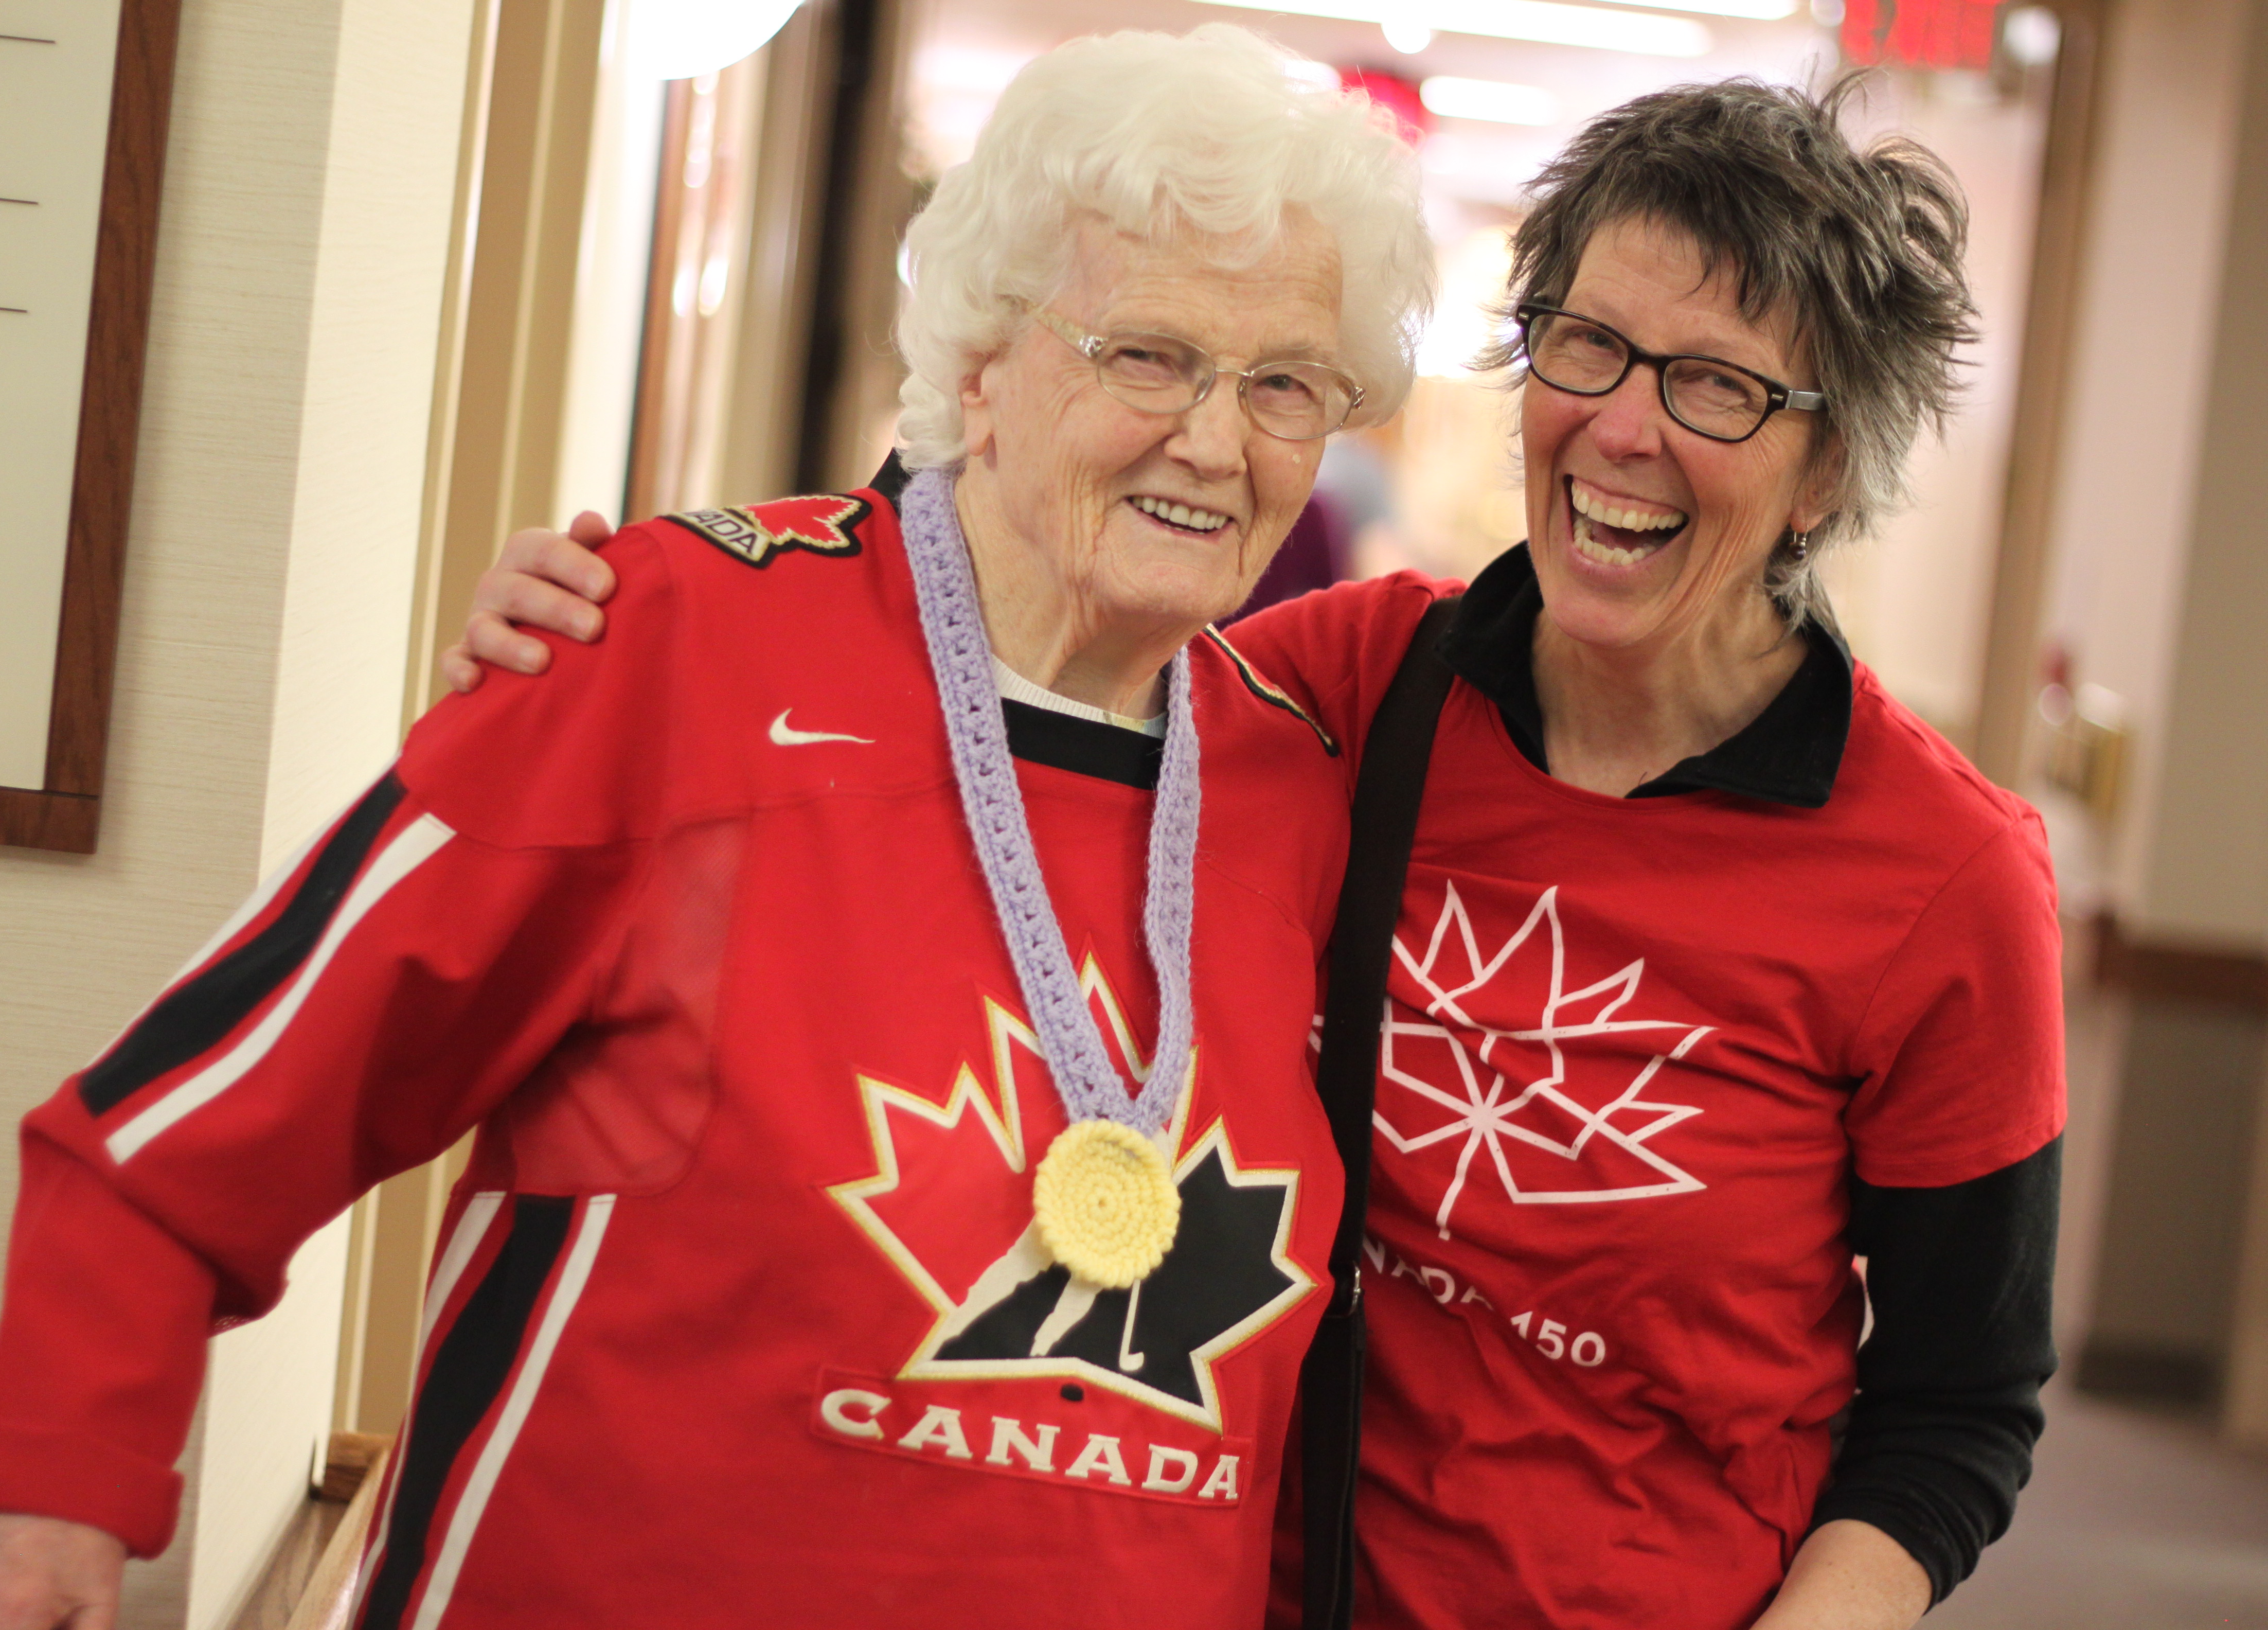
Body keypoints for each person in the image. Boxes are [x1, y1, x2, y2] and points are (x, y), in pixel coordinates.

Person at [0, 29, 1436, 1630]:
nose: (1219, 444)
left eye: (1287, 386)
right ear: (981, 360)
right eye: (1148, 356)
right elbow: (191, 1123)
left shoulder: (1307, 787)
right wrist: (42, 1493)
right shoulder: (675, 647)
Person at [450, 76, 2066, 1630]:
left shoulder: (1941, 878)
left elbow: (1959, 1409)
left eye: (1717, 386)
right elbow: (1004, 625)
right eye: (1589, 346)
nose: (1624, 428)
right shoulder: (1350, 689)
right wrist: (653, 617)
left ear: (1830, 468)